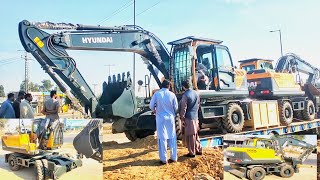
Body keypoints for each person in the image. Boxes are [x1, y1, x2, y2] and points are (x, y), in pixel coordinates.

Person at [149, 79, 178, 164]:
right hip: (170, 118)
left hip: (160, 118)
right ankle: (174, 157)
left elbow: (151, 105)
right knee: (172, 137)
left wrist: (155, 110)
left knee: (162, 138)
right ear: (169, 86)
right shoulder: (172, 95)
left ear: (161, 85)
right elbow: (176, 108)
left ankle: (164, 159)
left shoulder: (157, 94)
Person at [179, 80, 203, 157]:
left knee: (190, 136)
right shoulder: (196, 93)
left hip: (189, 118)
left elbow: (183, 108)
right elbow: (198, 104)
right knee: (195, 134)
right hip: (195, 117)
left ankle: (192, 153)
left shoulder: (185, 95)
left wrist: (182, 118)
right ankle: (199, 149)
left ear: (183, 86)